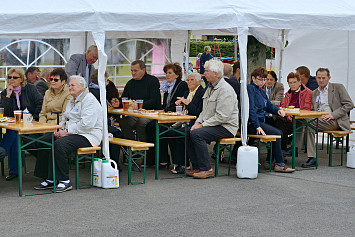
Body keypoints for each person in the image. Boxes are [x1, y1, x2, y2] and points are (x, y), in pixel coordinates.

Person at [34, 75, 103, 192]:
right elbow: (65, 117)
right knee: (44, 140)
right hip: (73, 133)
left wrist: (66, 132)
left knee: (60, 145)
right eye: (69, 85)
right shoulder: (73, 100)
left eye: (73, 85)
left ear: (82, 86)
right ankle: (50, 178)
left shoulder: (90, 100)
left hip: (89, 135)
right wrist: (60, 130)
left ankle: (64, 180)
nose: (70, 88)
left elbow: (86, 125)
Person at [186, 60, 239, 179]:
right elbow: (204, 111)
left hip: (226, 126)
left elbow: (222, 116)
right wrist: (198, 122)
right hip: (215, 124)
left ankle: (207, 169)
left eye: (206, 71)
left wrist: (202, 125)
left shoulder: (225, 90)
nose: (204, 73)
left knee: (197, 134)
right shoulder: (210, 87)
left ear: (216, 73)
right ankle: (197, 167)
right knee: (187, 131)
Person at [302, 68, 354, 168]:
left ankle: (294, 147)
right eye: (319, 78)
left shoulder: (338, 87)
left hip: (335, 121)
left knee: (306, 121)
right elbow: (313, 109)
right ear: (316, 78)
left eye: (323, 78)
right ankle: (312, 158)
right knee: (309, 126)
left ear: (329, 78)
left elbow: (349, 104)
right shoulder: (315, 93)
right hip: (319, 120)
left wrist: (333, 115)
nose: (321, 80)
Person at [247, 67, 294, 173]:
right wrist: (256, 125)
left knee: (278, 132)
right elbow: (250, 109)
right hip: (252, 124)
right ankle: (279, 164)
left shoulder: (261, 91)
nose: (263, 82)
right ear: (253, 78)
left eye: (264, 79)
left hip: (259, 122)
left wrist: (278, 111)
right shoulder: (250, 88)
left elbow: (268, 105)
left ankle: (270, 161)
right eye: (260, 79)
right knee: (278, 133)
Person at [0, 68, 43, 181]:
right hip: (15, 127)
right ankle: (13, 169)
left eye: (15, 77)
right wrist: (8, 96)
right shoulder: (5, 92)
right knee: (14, 135)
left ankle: (2, 152)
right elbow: (4, 112)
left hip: (31, 125)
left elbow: (40, 102)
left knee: (14, 134)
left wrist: (33, 117)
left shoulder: (30, 89)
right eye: (9, 77)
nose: (12, 80)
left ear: (21, 79)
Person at [146, 62, 188, 166]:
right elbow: (165, 104)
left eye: (170, 73)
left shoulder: (181, 85)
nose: (167, 75)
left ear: (177, 75)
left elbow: (180, 104)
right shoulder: (167, 86)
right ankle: (156, 158)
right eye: (166, 73)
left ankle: (163, 159)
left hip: (177, 117)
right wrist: (163, 110)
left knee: (159, 128)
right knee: (150, 126)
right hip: (167, 116)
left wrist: (166, 110)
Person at [33, 68, 72, 180]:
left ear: (63, 81)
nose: (52, 81)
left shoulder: (68, 93)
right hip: (45, 127)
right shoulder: (47, 92)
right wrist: (42, 126)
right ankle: (49, 172)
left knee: (44, 143)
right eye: (51, 79)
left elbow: (64, 115)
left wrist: (50, 128)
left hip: (59, 127)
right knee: (28, 141)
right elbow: (42, 113)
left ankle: (47, 177)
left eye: (56, 79)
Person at [111, 60, 161, 142]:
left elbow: (154, 100)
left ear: (143, 70)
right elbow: (124, 98)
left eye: (135, 70)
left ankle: (143, 149)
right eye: (131, 71)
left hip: (152, 113)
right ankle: (132, 147)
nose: (133, 73)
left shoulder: (152, 81)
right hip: (136, 114)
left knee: (141, 122)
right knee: (124, 122)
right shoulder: (131, 83)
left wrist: (139, 105)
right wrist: (118, 103)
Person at [170, 72, 205, 174]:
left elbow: (198, 111)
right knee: (169, 132)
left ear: (199, 81)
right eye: (188, 80)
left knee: (179, 133)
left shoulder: (201, 93)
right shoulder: (187, 93)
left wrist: (187, 103)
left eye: (192, 80)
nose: (189, 82)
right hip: (183, 120)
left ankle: (184, 164)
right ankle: (177, 163)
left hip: (196, 122)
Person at [89, 69, 122, 165]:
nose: (108, 83)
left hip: (90, 124)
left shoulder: (88, 90)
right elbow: (100, 113)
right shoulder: (100, 94)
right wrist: (108, 122)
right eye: (107, 80)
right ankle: (113, 163)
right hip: (97, 126)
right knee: (117, 133)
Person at [275, 72, 312, 155]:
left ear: (299, 82)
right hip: (289, 118)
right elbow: (283, 106)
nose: (292, 85)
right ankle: (281, 151)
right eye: (290, 83)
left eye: (294, 82)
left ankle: (285, 151)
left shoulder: (307, 92)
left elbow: (306, 109)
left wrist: (293, 114)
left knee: (285, 126)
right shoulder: (288, 94)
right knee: (278, 122)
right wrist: (288, 115)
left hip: (301, 118)